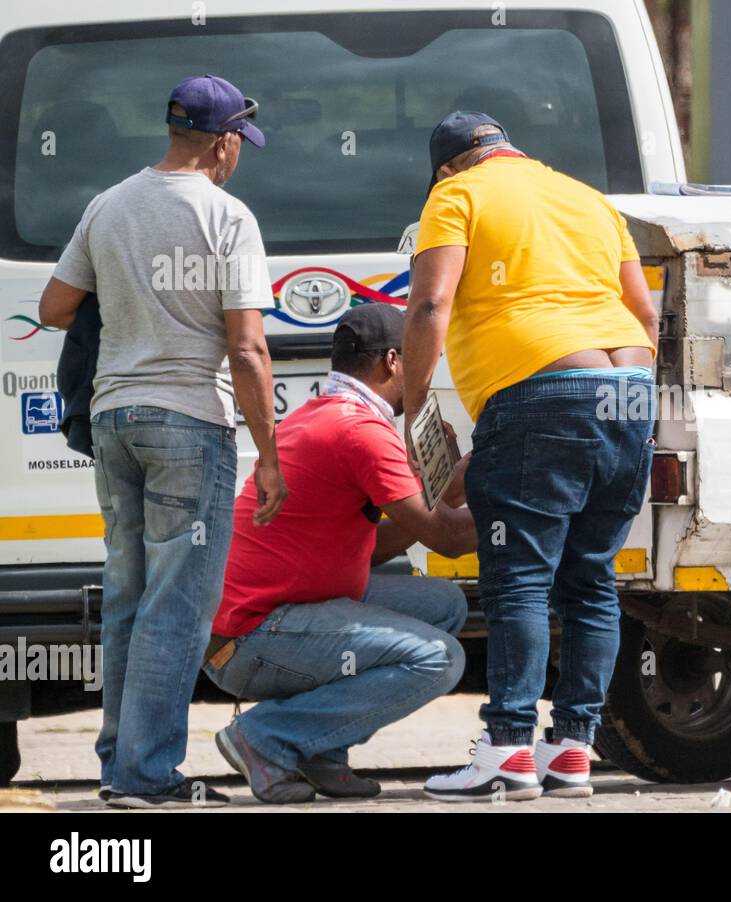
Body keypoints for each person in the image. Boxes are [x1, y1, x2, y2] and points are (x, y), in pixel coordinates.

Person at [37, 75, 286, 810]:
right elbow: (247, 350)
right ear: (222, 142)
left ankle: (121, 765)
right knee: (177, 607)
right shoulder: (228, 217)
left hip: (114, 419)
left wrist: (131, 302)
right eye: (239, 140)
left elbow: (55, 308)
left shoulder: (108, 204)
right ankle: (147, 776)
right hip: (187, 421)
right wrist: (269, 455)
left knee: (129, 598)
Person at [405, 111, 659, 801]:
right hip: (631, 389)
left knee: (517, 579)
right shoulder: (589, 200)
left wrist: (412, 402)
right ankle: (572, 750)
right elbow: (645, 315)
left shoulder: (454, 196)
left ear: (447, 166)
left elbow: (430, 304)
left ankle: (508, 748)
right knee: (592, 580)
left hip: (541, 386)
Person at [205, 303, 475, 804]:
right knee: (438, 660)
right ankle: (267, 737)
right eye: (422, 360)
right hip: (250, 639)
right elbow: (450, 540)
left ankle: (321, 751)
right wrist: (523, 502)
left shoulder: (323, 415)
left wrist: (444, 495)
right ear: (393, 361)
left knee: (445, 605)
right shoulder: (361, 433)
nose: (427, 374)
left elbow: (365, 552)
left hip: (265, 619)